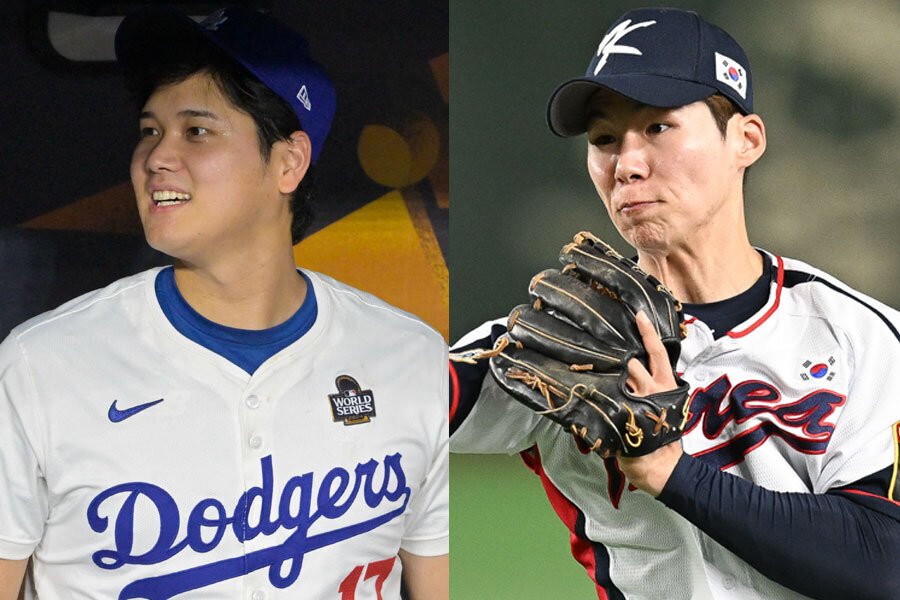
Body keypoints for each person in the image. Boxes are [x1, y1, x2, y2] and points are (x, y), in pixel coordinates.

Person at [450, 7, 900, 599]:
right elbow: (381, 403)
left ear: (745, 139)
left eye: (658, 127)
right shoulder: (557, 349)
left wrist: (673, 473)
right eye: (604, 138)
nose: (627, 165)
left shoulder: (860, 336)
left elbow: (883, 564)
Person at [0, 7, 448, 599]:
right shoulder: (40, 365)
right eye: (149, 130)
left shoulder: (411, 357)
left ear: (288, 162)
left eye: (197, 130)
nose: (156, 156)